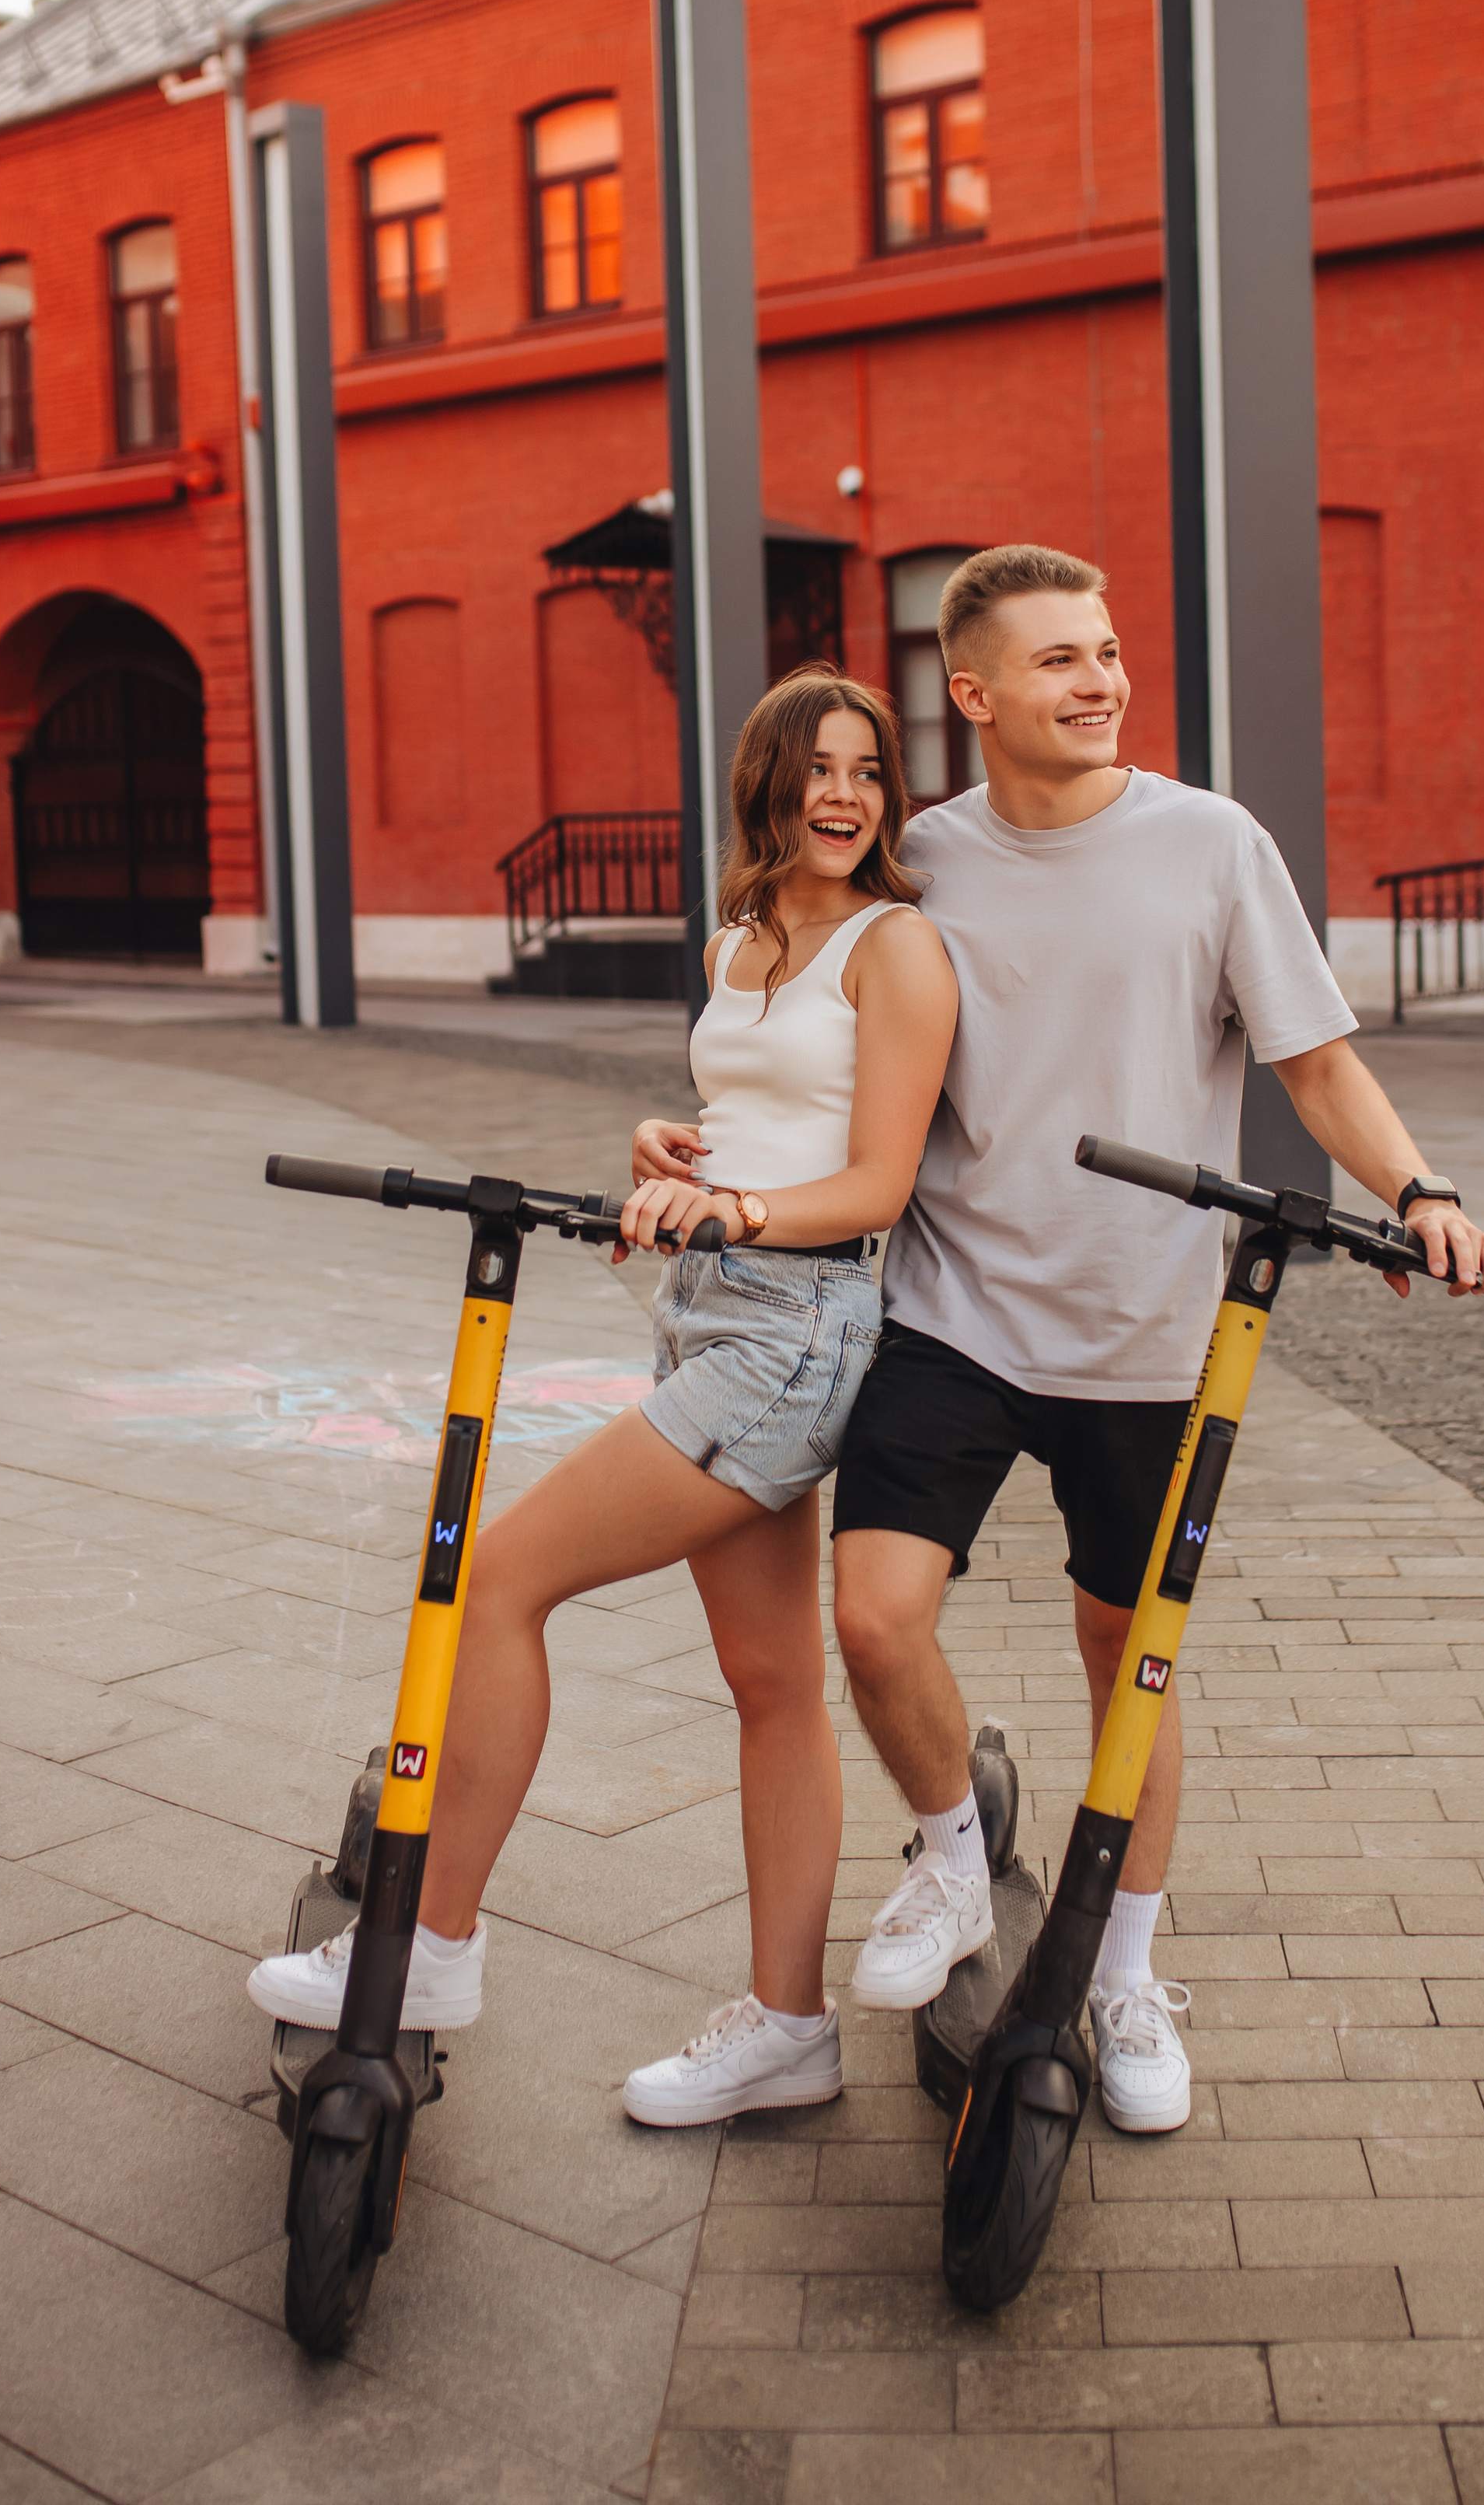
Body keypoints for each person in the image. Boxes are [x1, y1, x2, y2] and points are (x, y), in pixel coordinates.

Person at [829, 543, 1484, 2138]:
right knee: (870, 1618)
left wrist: (1418, 1189)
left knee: (1120, 1659)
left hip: (1144, 1330)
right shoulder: (922, 859)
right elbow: (827, 1036)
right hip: (952, 1309)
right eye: (1059, 660)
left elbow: (1314, 1060)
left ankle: (1123, 1967)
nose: (1101, 680)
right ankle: (949, 1864)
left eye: (1109, 650)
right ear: (972, 692)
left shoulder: (1207, 845)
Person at [250, 668, 958, 2126]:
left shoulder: (900, 949)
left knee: (497, 1581)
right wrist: (673, 1150)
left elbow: (878, 1183)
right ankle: (789, 2027)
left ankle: (433, 1948)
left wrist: (737, 1216)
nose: (844, 795)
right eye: (818, 769)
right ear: (769, 783)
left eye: (869, 772)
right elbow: (761, 1114)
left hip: (797, 1331)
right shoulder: (743, 940)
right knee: (770, 1687)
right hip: (708, 1312)